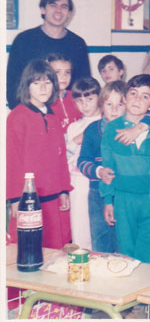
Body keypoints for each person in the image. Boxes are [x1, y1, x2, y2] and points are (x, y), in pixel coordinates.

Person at [7, 59, 72, 248]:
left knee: (54, 250)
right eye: (36, 83)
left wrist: (63, 190)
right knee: (27, 248)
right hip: (27, 197)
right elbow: (12, 160)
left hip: (53, 195)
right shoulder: (17, 116)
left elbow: (61, 158)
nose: (43, 88)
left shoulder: (53, 117)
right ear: (27, 86)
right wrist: (15, 198)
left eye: (47, 82)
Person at [101, 75, 150, 264]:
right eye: (133, 93)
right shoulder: (112, 128)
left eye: (145, 96)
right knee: (127, 256)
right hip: (123, 200)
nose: (137, 99)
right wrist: (108, 201)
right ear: (125, 97)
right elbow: (108, 168)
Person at [7, 0, 91, 109]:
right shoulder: (24, 40)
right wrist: (22, 112)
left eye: (64, 7)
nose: (58, 10)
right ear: (43, 9)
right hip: (31, 111)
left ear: (69, 13)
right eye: (53, 5)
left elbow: (84, 84)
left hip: (67, 111)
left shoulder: (78, 43)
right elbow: (12, 83)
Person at [77, 81, 126, 253]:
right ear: (101, 105)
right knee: (100, 242)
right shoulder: (92, 130)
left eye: (120, 104)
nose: (114, 109)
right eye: (109, 104)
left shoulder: (132, 130)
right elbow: (82, 161)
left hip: (123, 194)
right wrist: (98, 171)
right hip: (97, 192)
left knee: (123, 242)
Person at [66, 77, 102, 250]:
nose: (84, 105)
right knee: (80, 229)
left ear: (99, 97)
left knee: (99, 228)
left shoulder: (105, 123)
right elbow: (67, 158)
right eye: (79, 101)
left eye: (89, 99)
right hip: (77, 182)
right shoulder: (73, 127)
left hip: (97, 180)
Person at [46, 53, 82, 133]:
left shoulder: (77, 96)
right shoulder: (44, 101)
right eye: (57, 72)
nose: (64, 76)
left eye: (67, 72)